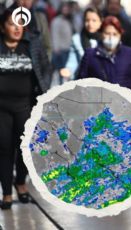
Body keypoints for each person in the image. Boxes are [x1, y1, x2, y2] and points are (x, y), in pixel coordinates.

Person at [0, 8, 52, 210]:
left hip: (25, 105)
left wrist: (44, 89)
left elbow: (46, 68)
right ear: (3, 26)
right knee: (4, 148)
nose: (16, 28)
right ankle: (6, 192)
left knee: (24, 147)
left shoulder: (32, 44)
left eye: (20, 24)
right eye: (12, 24)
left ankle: (20, 183)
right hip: (1, 108)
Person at [77, 16, 131, 111]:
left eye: (114, 34)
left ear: (120, 35)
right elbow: (80, 85)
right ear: (101, 34)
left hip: (125, 111)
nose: (111, 37)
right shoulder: (90, 55)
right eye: (107, 33)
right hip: (98, 114)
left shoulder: (129, 54)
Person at [60, 7, 103, 80]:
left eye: (94, 20)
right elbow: (73, 61)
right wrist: (68, 70)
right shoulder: (76, 39)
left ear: (100, 22)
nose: (90, 24)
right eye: (87, 20)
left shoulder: (105, 39)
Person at [51, 2, 74, 84]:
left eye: (67, 8)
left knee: (67, 72)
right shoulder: (57, 21)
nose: (66, 10)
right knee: (61, 72)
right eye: (64, 8)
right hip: (61, 50)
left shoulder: (70, 20)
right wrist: (56, 48)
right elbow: (55, 35)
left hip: (69, 49)